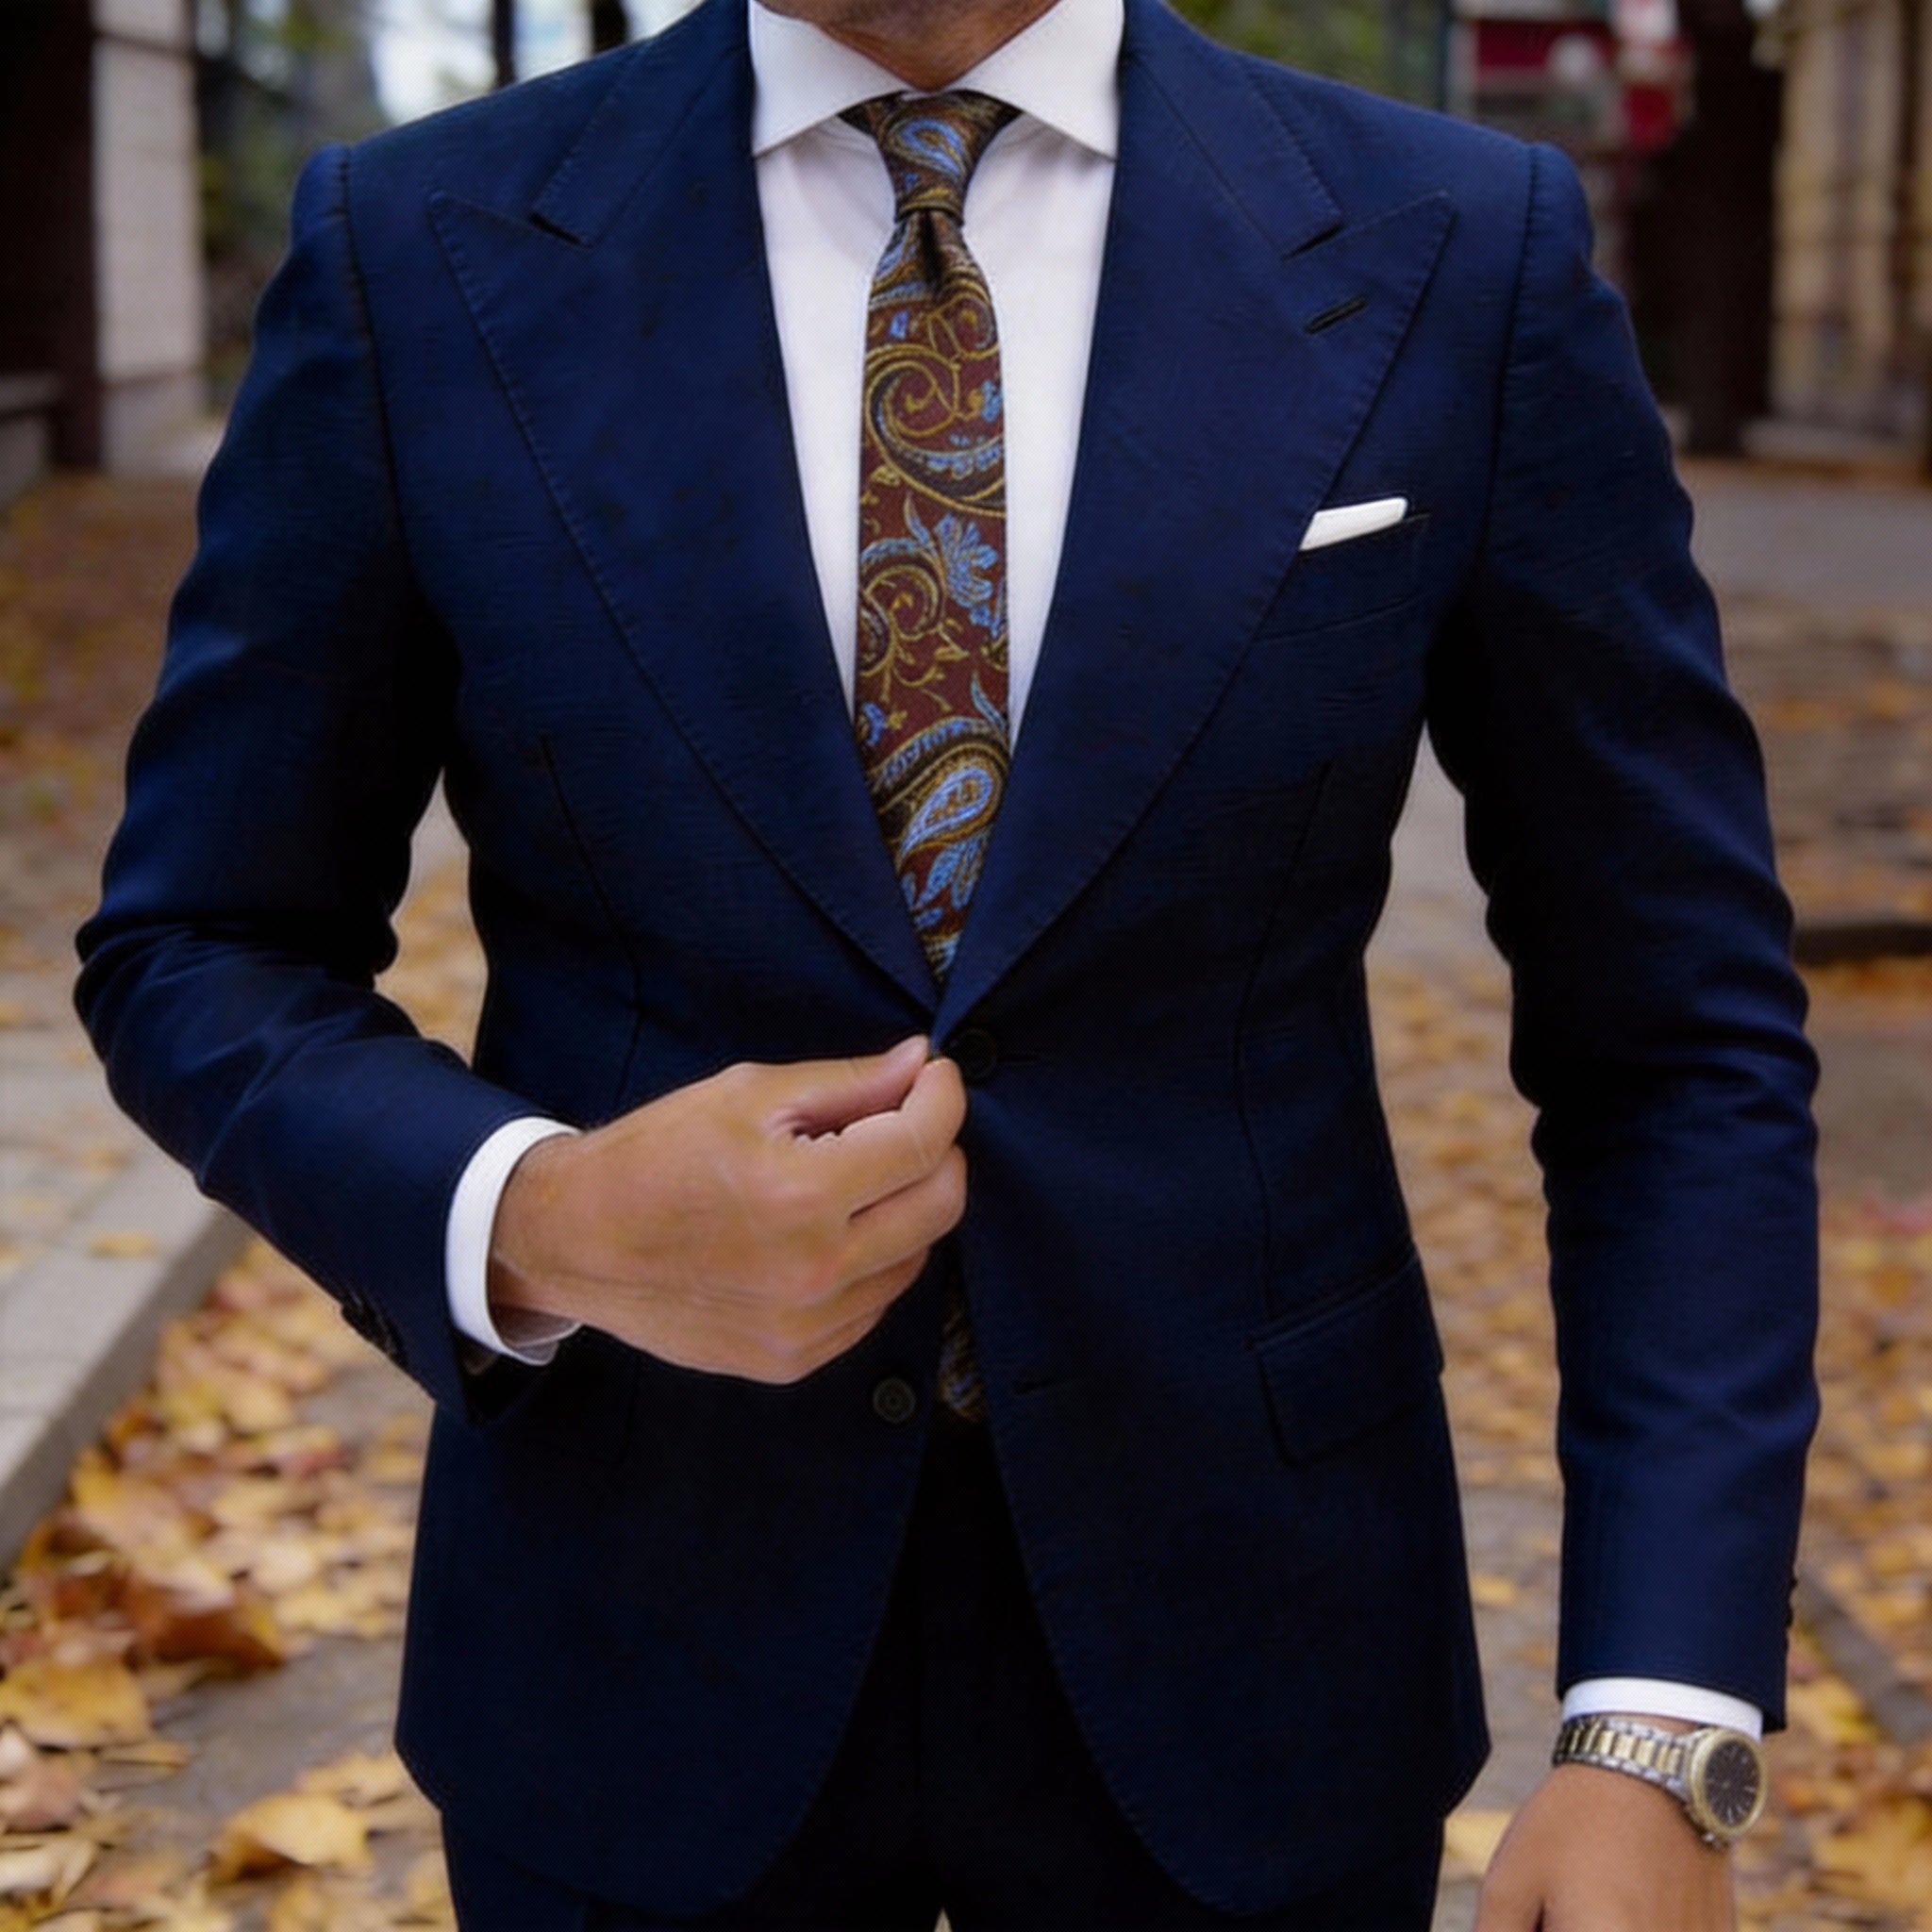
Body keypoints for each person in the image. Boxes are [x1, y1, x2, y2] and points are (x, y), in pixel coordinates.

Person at [75, 0, 1821, 1921]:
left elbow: (1676, 1034)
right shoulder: (414, 247)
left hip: (1259, 1661)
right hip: (633, 1649)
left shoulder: (1458, 244)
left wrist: (1660, 1722)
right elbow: (200, 940)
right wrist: (541, 1217)